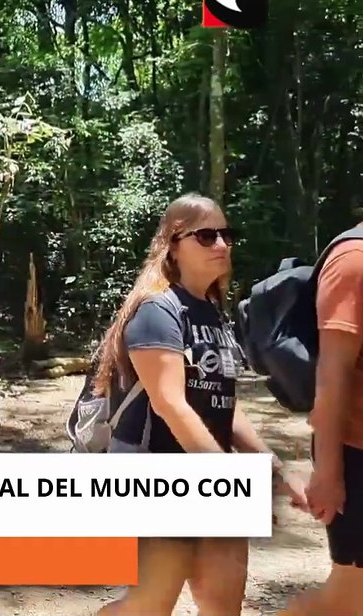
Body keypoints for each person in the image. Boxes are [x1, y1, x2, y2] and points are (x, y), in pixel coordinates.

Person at [92, 193, 306, 616]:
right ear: (173, 244)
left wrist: (272, 468)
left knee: (223, 604)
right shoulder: (158, 309)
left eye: (227, 235)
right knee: (149, 608)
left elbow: (222, 401)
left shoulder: (212, 311)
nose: (222, 245)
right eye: (206, 236)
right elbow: (171, 403)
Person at [281, 221, 363, 615]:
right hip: (357, 456)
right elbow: (331, 379)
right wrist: (328, 475)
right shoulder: (353, 261)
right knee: (346, 600)